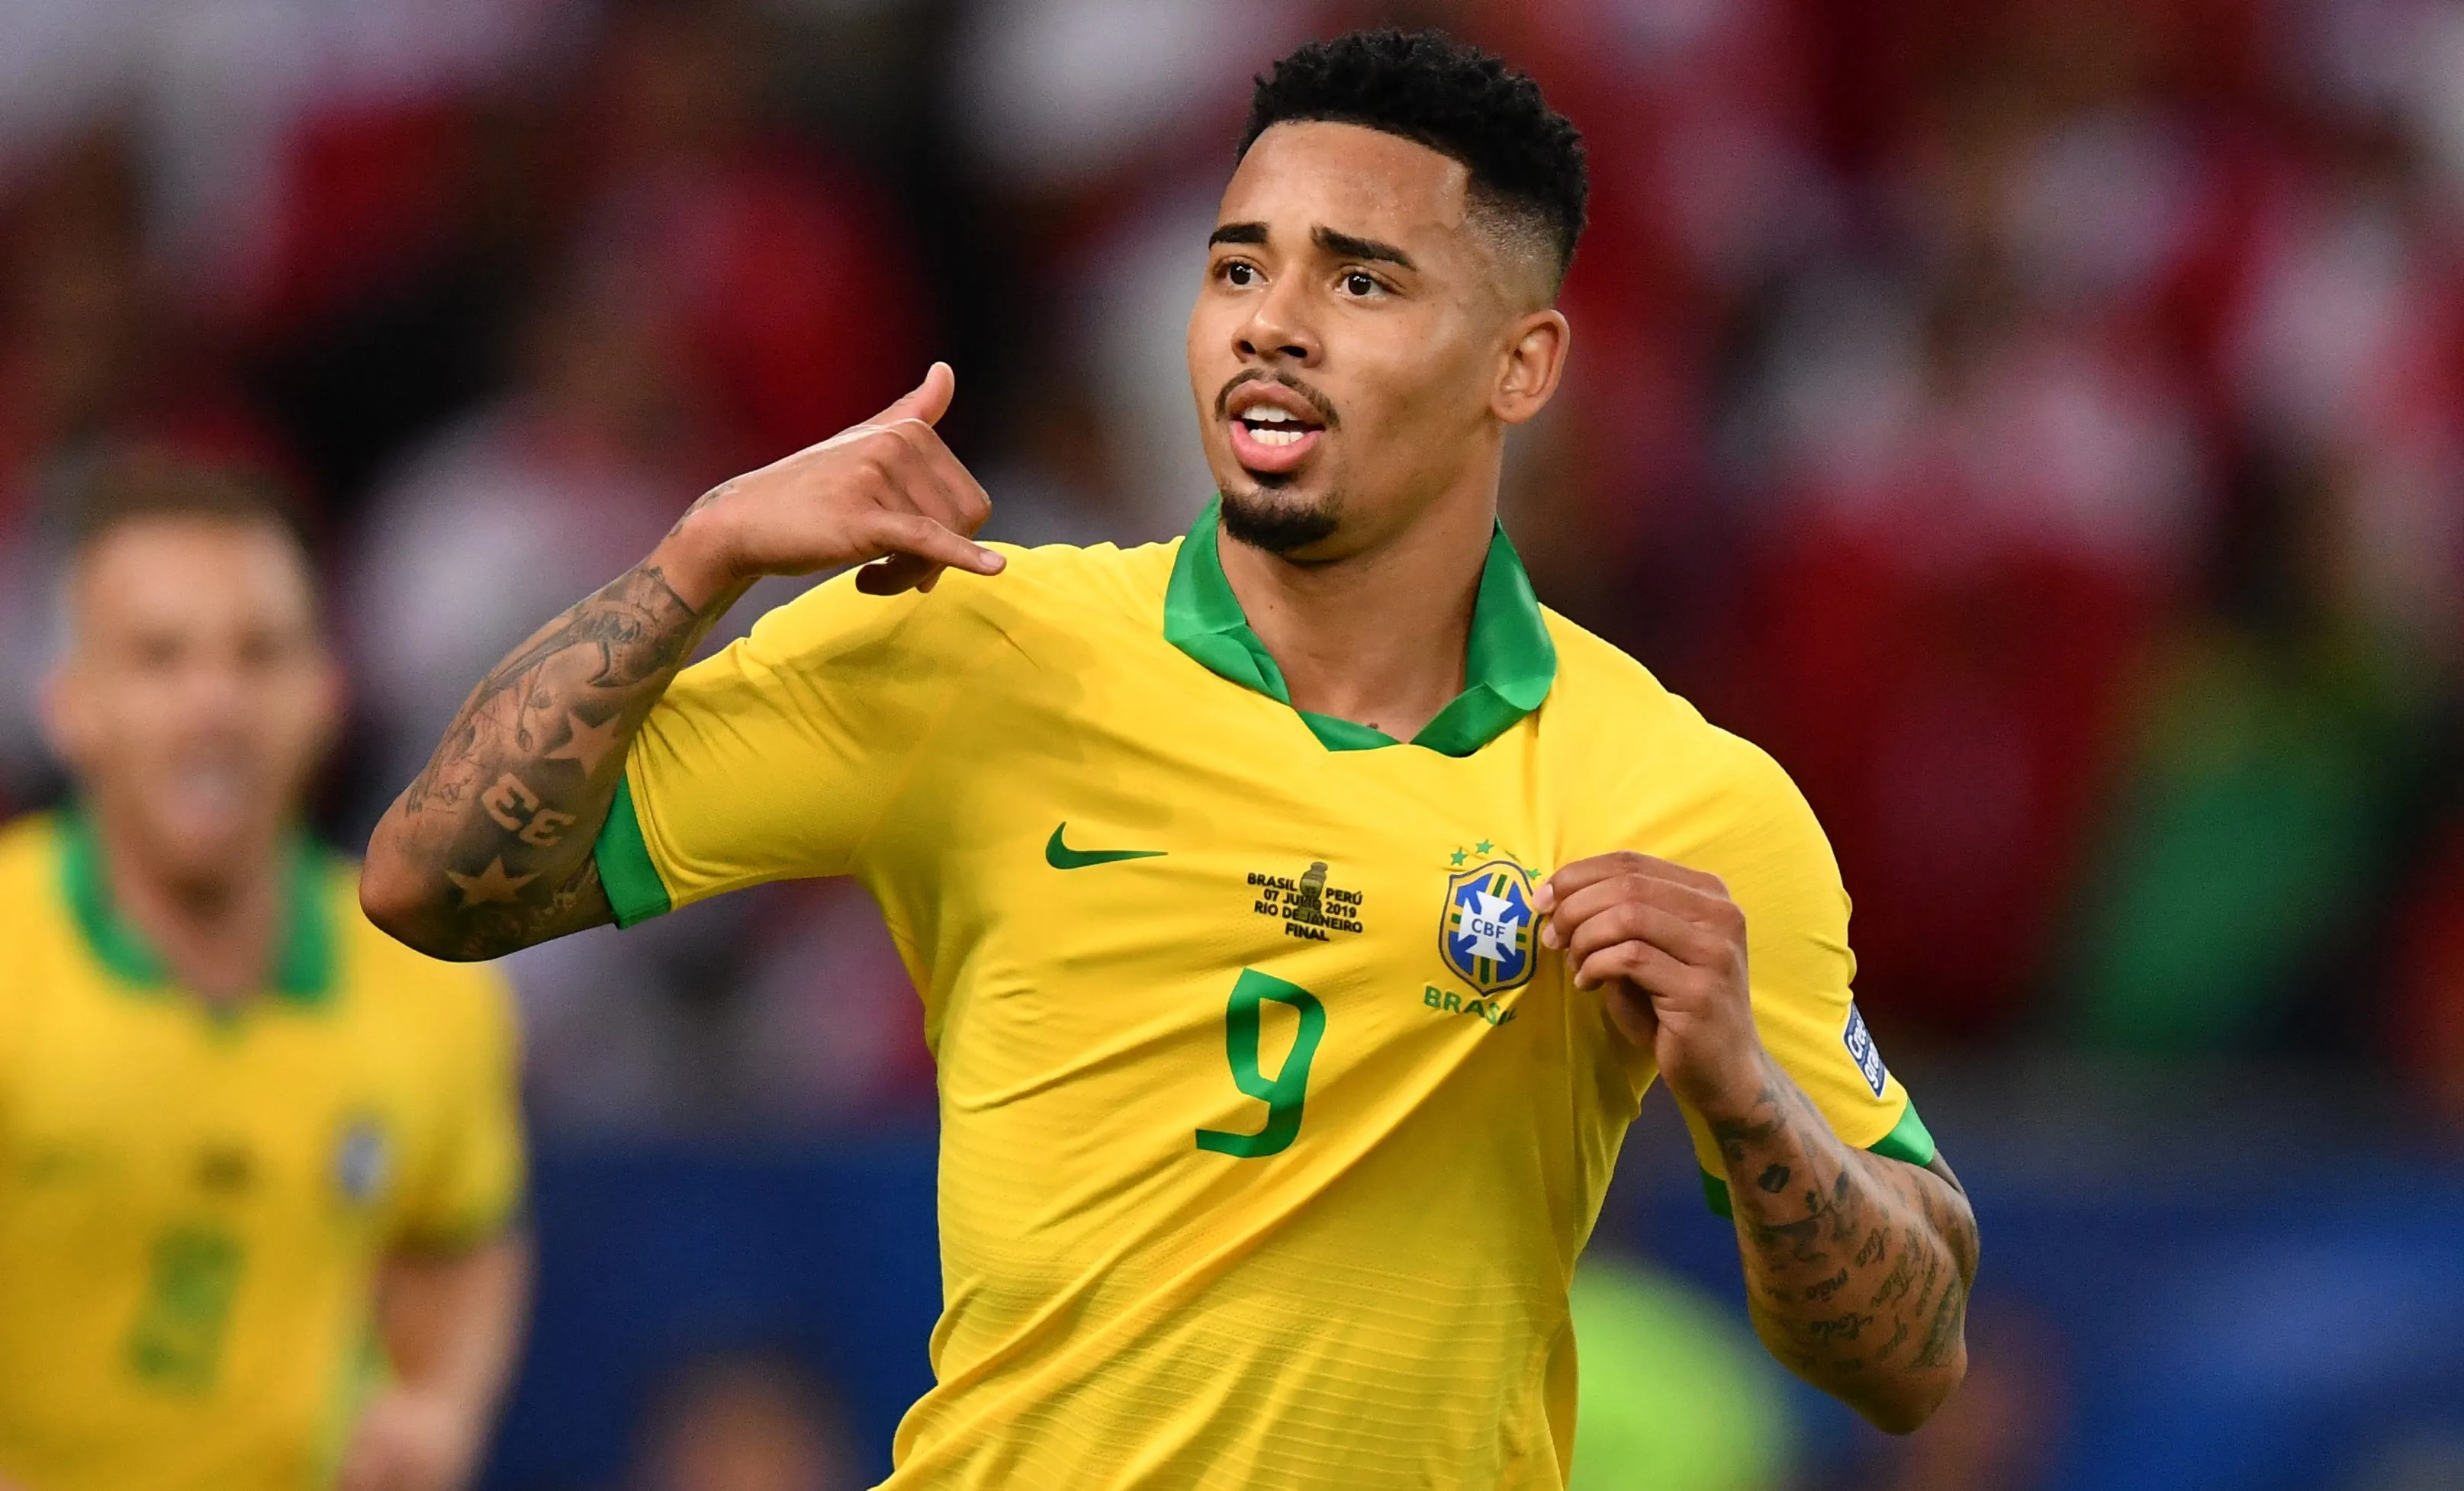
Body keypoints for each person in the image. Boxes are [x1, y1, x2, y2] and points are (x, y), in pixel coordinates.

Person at [363, 29, 1977, 1487]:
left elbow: (1912, 1356)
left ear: (1521, 365)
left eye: (1360, 281)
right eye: (1236, 268)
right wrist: (698, 561)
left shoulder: (1677, 794)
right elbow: (432, 883)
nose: (1270, 324)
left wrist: (1744, 1094)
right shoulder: (975, 644)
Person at [0, 452, 529, 1491]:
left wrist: (437, 1408)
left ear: (324, 696)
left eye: (258, 655)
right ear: (71, 706)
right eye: (160, 657)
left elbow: (465, 1234)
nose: (214, 705)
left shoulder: (431, 981)